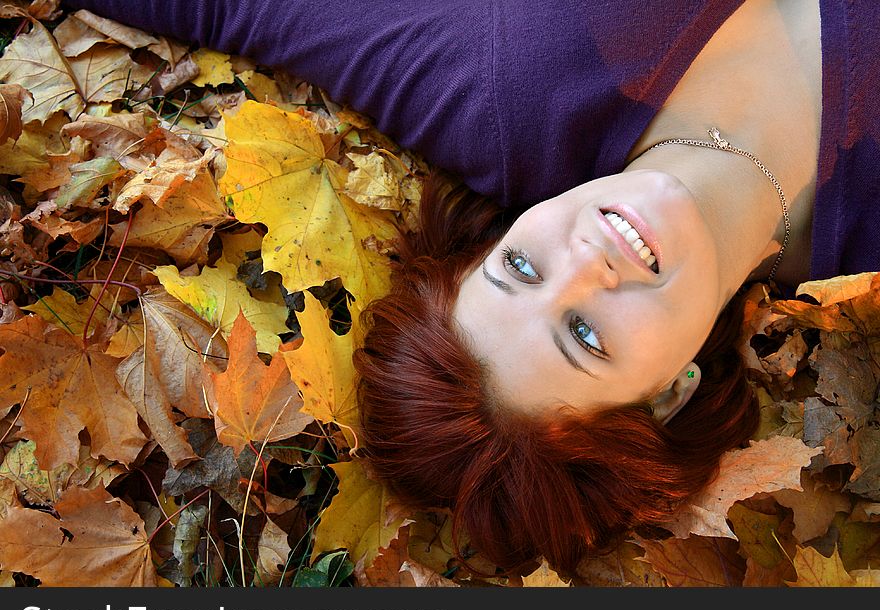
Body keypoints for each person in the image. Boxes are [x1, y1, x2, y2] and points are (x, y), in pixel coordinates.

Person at [61, 0, 879, 575]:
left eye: (519, 269)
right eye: (585, 337)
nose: (585, 260)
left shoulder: (508, 90)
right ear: (671, 392)